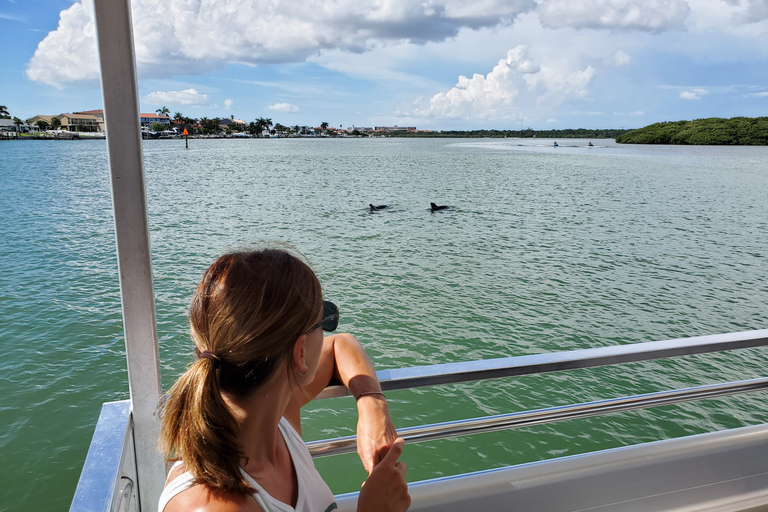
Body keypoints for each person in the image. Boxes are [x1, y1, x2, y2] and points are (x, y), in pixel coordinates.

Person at [158, 247, 410, 512]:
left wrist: (372, 405)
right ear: (300, 353)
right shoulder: (210, 506)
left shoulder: (278, 417)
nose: (326, 332)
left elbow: (342, 346)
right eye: (322, 321)